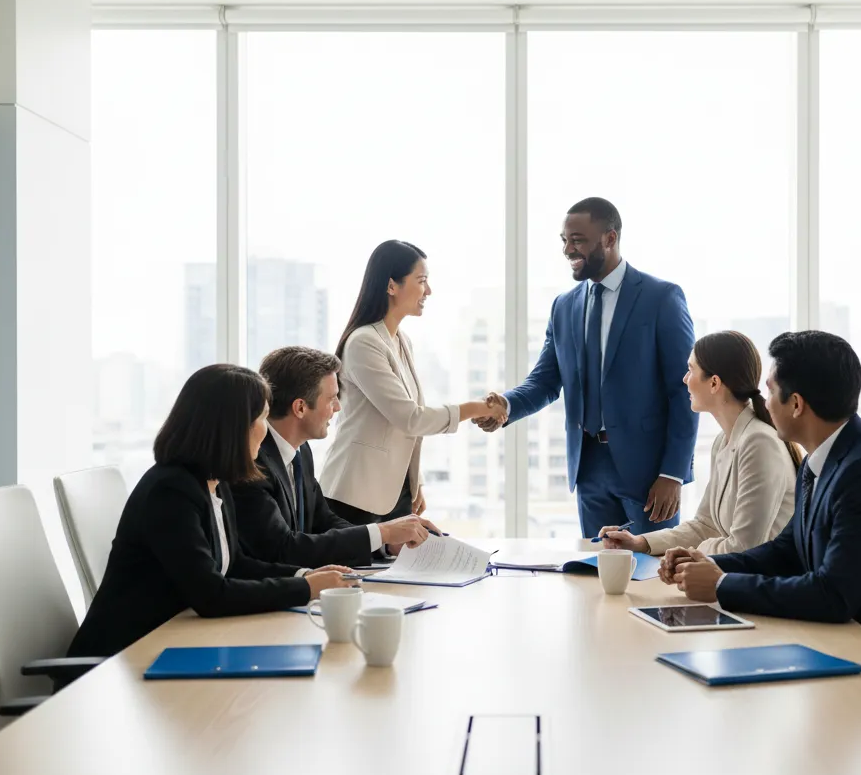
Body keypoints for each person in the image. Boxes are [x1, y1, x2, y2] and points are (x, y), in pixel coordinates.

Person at [666, 331, 861, 661]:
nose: (763, 403)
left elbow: (832, 595)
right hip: (845, 642)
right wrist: (709, 565)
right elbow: (788, 549)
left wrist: (721, 585)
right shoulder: (823, 458)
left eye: (770, 391)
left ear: (796, 404)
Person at [67, 365, 354, 658]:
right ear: (231, 427)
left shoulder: (215, 482)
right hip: (124, 659)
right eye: (262, 417)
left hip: (176, 642)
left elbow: (237, 564)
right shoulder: (170, 492)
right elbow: (212, 595)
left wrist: (306, 575)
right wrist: (305, 588)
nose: (265, 429)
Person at [477, 197, 698, 538]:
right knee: (594, 577)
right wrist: (506, 406)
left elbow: (684, 389)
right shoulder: (564, 306)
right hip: (588, 468)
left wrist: (673, 473)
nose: (567, 249)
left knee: (652, 578)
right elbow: (546, 380)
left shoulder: (661, 298)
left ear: (610, 239)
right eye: (564, 240)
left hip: (649, 475)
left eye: (577, 239)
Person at [319, 240, 500, 524]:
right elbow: (411, 418)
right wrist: (476, 408)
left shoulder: (402, 341)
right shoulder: (363, 343)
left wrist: (415, 482)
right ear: (392, 286)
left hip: (393, 492)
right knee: (360, 570)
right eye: (421, 281)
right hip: (355, 493)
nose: (428, 290)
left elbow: (405, 427)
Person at [231, 346, 437, 569]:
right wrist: (383, 532)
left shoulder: (301, 451)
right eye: (331, 399)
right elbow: (281, 549)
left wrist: (386, 543)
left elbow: (324, 522)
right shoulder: (252, 462)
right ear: (300, 408)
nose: (338, 407)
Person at [599, 330, 799, 556]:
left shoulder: (759, 443)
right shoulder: (724, 441)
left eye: (690, 370)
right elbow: (705, 526)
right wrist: (640, 542)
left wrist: (689, 554)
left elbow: (744, 547)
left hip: (762, 583)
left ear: (714, 383)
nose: (685, 379)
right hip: (735, 576)